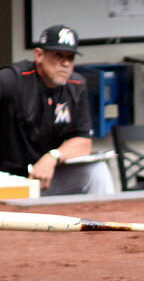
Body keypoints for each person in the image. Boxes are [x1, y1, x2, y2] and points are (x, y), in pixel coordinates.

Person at [0, 25, 115, 196]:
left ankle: (101, 221)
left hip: (45, 176)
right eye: (58, 55)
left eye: (70, 57)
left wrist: (52, 157)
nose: (66, 63)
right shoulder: (11, 80)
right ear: (39, 55)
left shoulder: (76, 86)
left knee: (97, 172)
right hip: (7, 177)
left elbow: (83, 140)